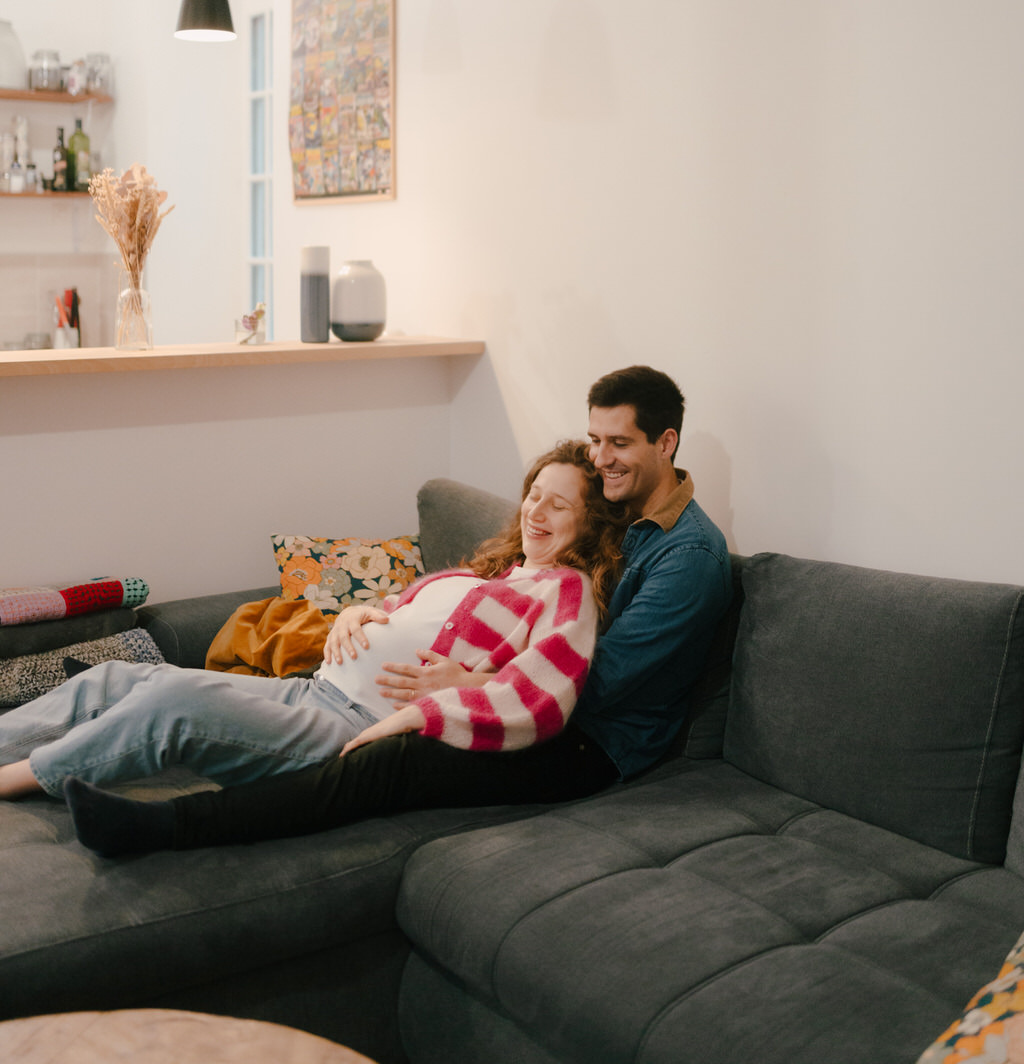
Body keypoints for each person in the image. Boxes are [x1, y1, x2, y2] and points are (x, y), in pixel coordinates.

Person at [62, 365, 732, 857]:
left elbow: (600, 681)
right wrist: (370, 615)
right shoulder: (615, 509)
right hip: (534, 698)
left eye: (620, 444)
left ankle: (164, 828)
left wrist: (471, 690)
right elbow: (510, 583)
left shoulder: (690, 555)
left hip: (591, 743)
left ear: (666, 444)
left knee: (392, 762)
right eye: (595, 439)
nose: (601, 457)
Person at [0, 441, 623, 810]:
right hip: (311, 689)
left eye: (558, 503)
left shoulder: (562, 592)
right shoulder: (495, 574)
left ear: (588, 523)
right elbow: (399, 609)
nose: (536, 510)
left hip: (349, 726)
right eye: (533, 493)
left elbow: (543, 702)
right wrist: (358, 611)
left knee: (175, 697)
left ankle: (16, 781)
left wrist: (452, 696)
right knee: (116, 678)